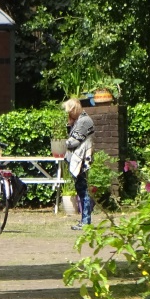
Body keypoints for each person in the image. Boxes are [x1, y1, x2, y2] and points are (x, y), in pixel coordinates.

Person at [63, 98, 95, 231]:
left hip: (82, 159)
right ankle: (85, 218)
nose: (69, 114)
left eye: (70, 112)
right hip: (79, 159)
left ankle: (86, 220)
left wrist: (63, 144)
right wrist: (70, 125)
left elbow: (74, 141)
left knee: (83, 189)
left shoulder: (84, 121)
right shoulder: (79, 121)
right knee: (81, 189)